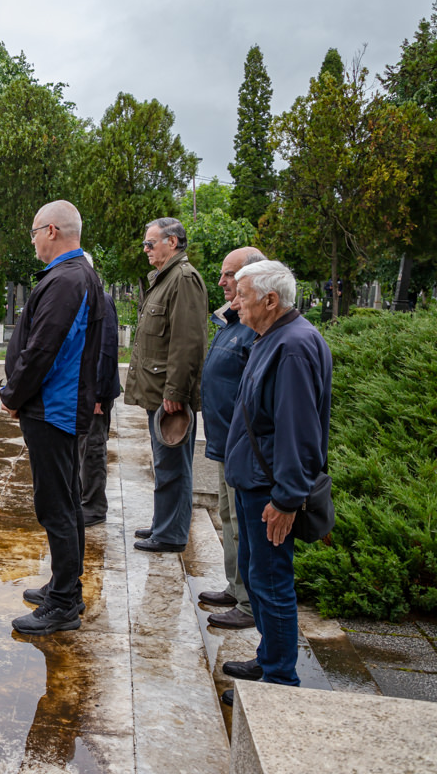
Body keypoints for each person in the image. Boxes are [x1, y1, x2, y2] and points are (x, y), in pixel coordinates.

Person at [220, 260, 332, 704]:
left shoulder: (292, 347)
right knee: (257, 574)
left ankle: (281, 684)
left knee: (271, 582)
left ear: (270, 300)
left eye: (242, 295)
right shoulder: (275, 336)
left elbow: (297, 431)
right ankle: (269, 658)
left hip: (270, 490)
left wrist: (286, 500)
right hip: (255, 480)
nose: (235, 301)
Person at [0, 200, 103, 635]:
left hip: (53, 410)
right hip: (57, 407)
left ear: (54, 231)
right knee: (65, 502)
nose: (33, 240)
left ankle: (63, 603)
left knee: (56, 505)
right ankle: (66, 587)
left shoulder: (67, 279)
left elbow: (43, 349)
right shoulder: (74, 275)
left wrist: (12, 394)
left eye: (35, 231)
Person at [125, 217, 207, 553]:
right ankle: (164, 523)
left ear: (172, 243)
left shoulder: (183, 279)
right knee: (164, 463)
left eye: (150, 243)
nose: (145, 249)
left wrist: (175, 392)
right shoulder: (166, 278)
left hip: (168, 395)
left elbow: (188, 342)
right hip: (158, 391)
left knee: (173, 465)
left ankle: (171, 533)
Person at [198, 247, 266, 630]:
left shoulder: (256, 327)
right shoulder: (232, 321)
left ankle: (249, 602)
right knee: (228, 516)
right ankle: (235, 586)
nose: (222, 282)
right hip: (225, 442)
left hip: (243, 447)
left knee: (243, 524)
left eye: (229, 275)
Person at [79, 251, 120, 527]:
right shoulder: (83, 299)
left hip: (96, 393)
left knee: (93, 449)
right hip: (83, 390)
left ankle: (94, 507)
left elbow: (105, 351)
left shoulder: (101, 300)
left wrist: (98, 395)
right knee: (82, 449)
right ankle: (84, 500)